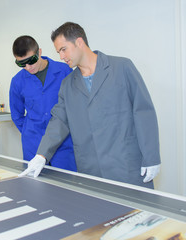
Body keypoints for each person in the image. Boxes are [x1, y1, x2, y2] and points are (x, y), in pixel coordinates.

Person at [19, 22, 161, 189]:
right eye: (58, 52)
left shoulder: (122, 68)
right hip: (91, 171)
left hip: (126, 165)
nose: (61, 56)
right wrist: (42, 155)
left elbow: (143, 112)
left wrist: (151, 157)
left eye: (64, 49)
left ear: (79, 42)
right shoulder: (67, 84)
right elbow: (59, 121)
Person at [10, 35, 76, 171]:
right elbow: (17, 115)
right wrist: (30, 131)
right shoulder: (17, 81)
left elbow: (74, 107)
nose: (28, 67)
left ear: (39, 52)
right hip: (33, 145)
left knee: (68, 186)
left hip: (62, 144)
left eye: (31, 61)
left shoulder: (64, 71)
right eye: (21, 64)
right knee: (35, 188)